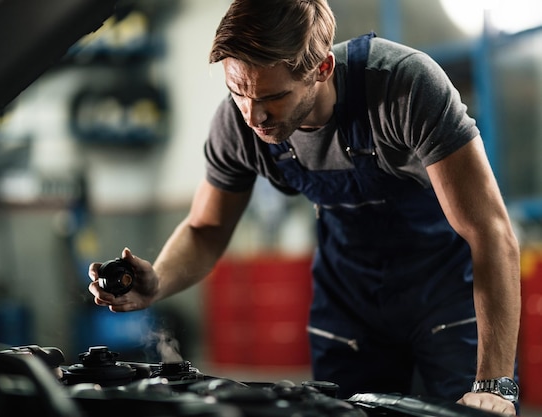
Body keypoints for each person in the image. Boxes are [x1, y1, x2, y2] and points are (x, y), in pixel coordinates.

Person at [88, 0, 521, 414]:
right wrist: (157, 281)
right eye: (238, 92)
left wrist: (494, 385)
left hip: (447, 299)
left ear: (322, 69)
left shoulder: (404, 88)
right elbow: (206, 228)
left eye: (272, 97)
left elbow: (490, 232)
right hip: (348, 308)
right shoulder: (237, 126)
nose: (254, 117)